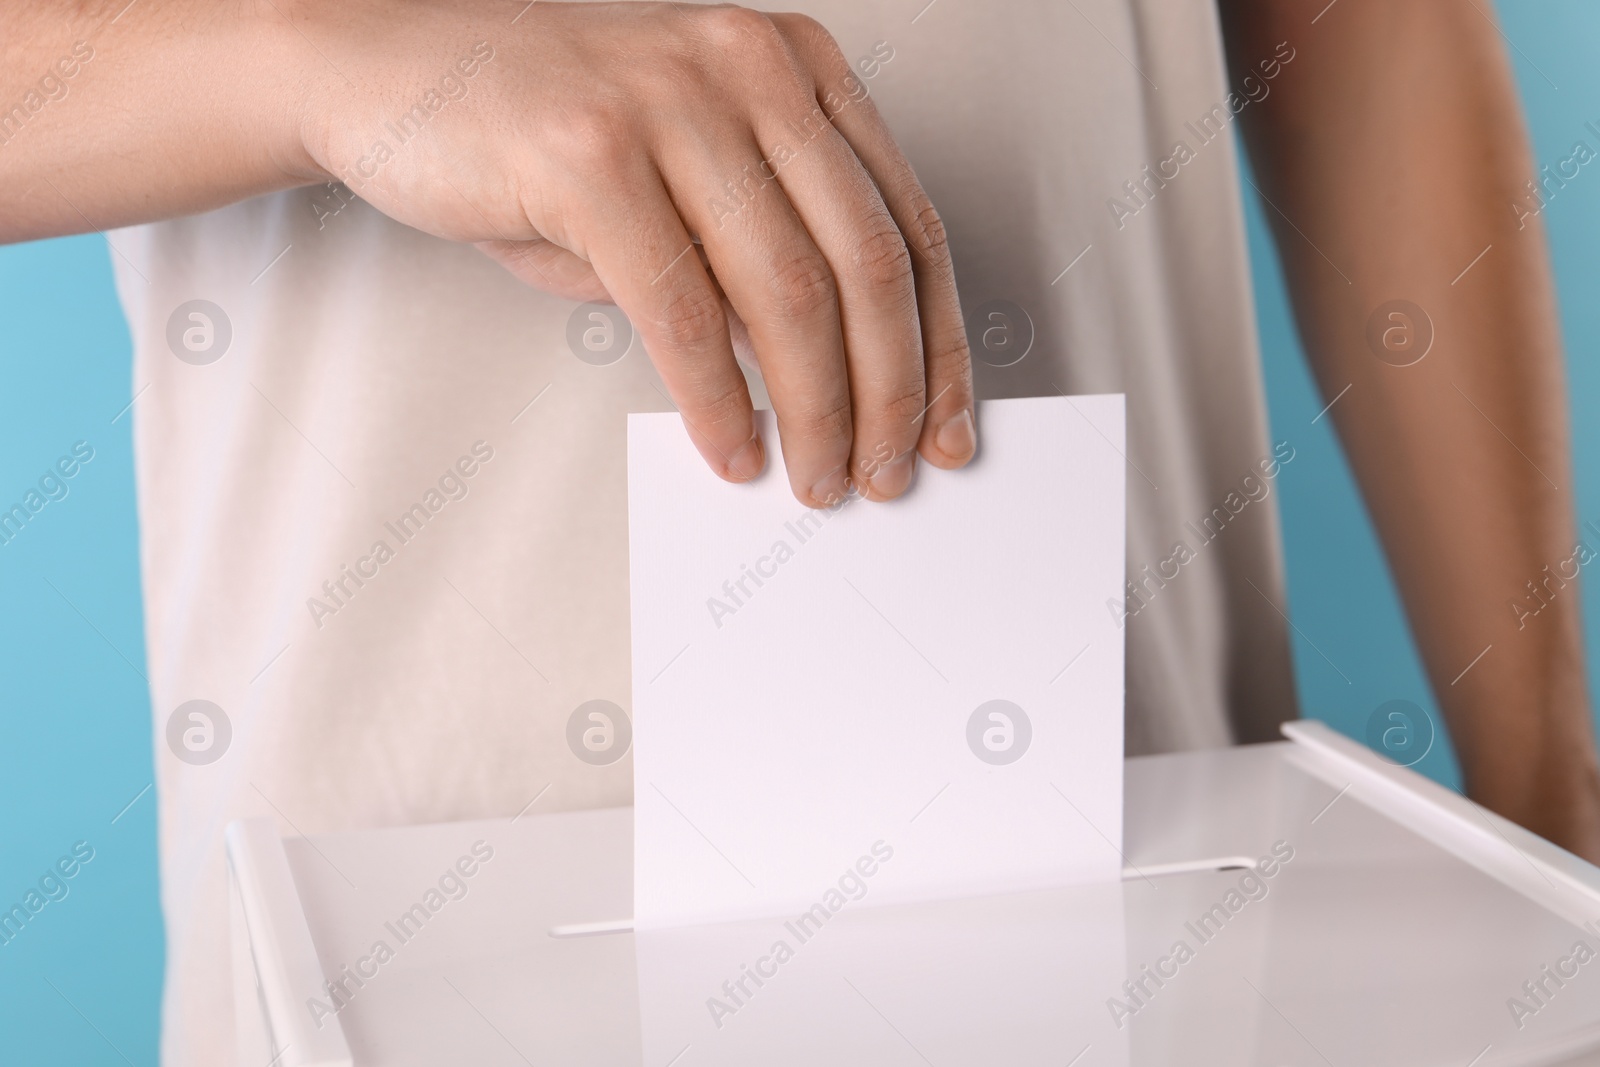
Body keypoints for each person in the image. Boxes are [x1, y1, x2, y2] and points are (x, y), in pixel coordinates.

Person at [5, 0, 1598, 1061]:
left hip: (1154, 862)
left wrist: (1542, 785)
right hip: (376, 925)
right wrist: (306, 64)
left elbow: (1365, 40)